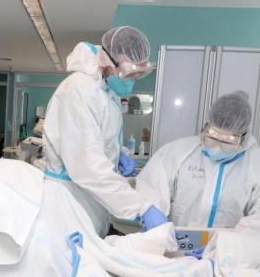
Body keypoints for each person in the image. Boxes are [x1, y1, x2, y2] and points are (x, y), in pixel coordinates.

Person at [42, 26, 167, 236]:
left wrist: (117, 155)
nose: (131, 82)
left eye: (137, 75)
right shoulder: (78, 89)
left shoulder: (106, 90)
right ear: (105, 60)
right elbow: (87, 166)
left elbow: (97, 139)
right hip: (69, 203)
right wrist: (141, 208)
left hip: (90, 203)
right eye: (127, 74)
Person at [136, 91, 260, 241]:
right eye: (212, 137)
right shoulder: (177, 152)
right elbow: (150, 190)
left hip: (231, 254)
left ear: (244, 137)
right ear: (205, 127)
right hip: (175, 245)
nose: (217, 147)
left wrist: (224, 249)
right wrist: (150, 212)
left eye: (227, 142)